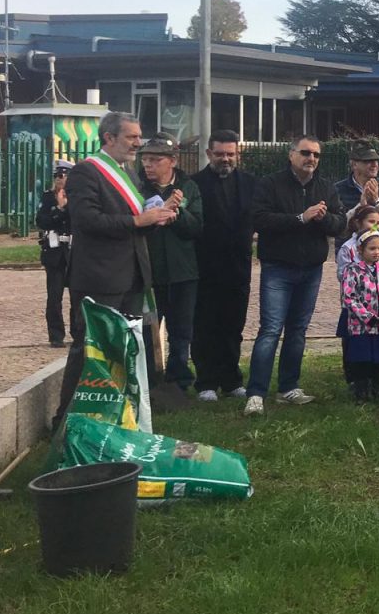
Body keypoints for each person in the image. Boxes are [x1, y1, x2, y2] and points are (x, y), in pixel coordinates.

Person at [56, 111, 176, 424]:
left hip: (133, 277)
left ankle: (111, 417)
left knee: (123, 353)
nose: (139, 143)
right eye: (132, 137)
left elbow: (134, 227)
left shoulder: (130, 173)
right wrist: (139, 220)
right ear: (109, 138)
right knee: (89, 350)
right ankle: (66, 421)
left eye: (139, 136)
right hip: (98, 278)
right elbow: (87, 221)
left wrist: (157, 218)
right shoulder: (87, 172)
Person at [244, 135, 345, 417]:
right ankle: (256, 393)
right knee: (270, 330)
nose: (311, 159)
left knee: (298, 330)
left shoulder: (325, 187)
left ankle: (289, 387)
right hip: (278, 267)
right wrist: (301, 218)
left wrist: (322, 218)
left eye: (315, 155)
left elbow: (340, 223)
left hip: (311, 268)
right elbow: (260, 220)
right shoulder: (270, 184)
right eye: (305, 153)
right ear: (291, 155)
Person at [138, 132, 204, 395]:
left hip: (183, 272)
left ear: (172, 161)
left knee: (181, 330)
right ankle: (150, 381)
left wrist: (177, 213)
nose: (148, 165)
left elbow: (197, 228)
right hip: (149, 274)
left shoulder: (189, 187)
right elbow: (136, 226)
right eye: (145, 159)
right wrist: (160, 211)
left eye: (155, 159)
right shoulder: (138, 188)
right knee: (147, 330)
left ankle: (179, 382)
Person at [192, 130, 256, 402]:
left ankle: (231, 380)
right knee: (204, 326)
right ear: (209, 154)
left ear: (237, 154)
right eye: (220, 154)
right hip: (204, 267)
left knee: (233, 326)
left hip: (238, 268)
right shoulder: (193, 184)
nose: (226, 159)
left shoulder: (252, 183)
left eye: (230, 154)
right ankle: (206, 381)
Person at [340, 230, 379, 402]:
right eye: (372, 249)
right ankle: (361, 388)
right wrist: (367, 317)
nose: (377, 252)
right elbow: (349, 297)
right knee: (361, 357)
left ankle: (377, 385)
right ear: (360, 250)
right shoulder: (352, 270)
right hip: (361, 326)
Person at [35, 159, 75, 347]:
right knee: (54, 295)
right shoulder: (48, 197)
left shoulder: (78, 198)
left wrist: (66, 206)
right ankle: (56, 335)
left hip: (74, 251)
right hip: (55, 252)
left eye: (64, 175)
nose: (60, 179)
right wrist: (59, 208)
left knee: (78, 295)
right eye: (57, 176)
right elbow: (43, 221)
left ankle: (78, 332)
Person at [334, 144, 379, 237]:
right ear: (354, 165)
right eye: (368, 161)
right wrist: (360, 206)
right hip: (349, 249)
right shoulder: (338, 190)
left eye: (376, 160)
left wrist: (377, 202)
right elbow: (337, 227)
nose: (375, 164)